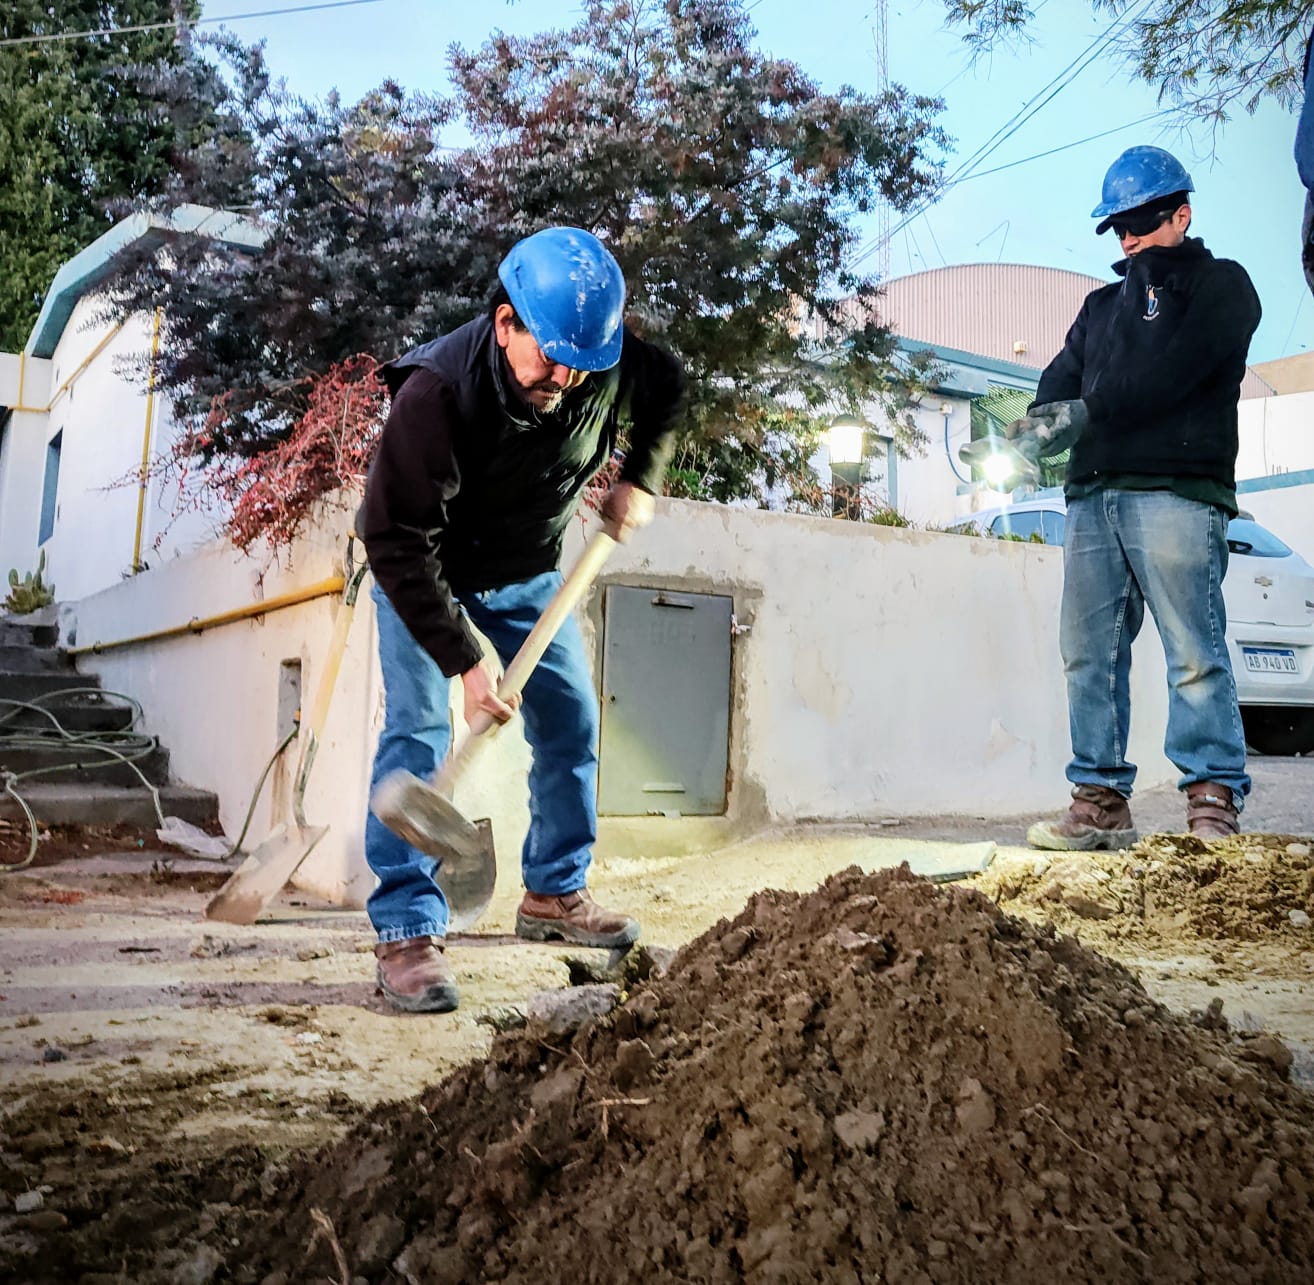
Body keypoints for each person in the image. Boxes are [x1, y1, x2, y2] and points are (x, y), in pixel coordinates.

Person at [358, 226, 686, 1012]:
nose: (566, 378)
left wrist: (641, 476)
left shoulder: (599, 362)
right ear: (506, 323)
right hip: (425, 571)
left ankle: (554, 892)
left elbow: (669, 387)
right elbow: (394, 539)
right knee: (418, 729)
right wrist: (466, 663)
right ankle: (406, 927)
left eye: (583, 362)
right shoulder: (435, 394)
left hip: (525, 571)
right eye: (551, 355)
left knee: (572, 719)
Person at [1020, 145, 1262, 851]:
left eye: (1140, 222)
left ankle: (1212, 797)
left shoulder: (1222, 287)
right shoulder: (1100, 308)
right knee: (1088, 652)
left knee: (1193, 650)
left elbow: (1174, 372)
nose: (1127, 238)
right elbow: (1059, 378)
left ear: (1180, 215)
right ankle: (1099, 800)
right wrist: (1035, 424)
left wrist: (1087, 412)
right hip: (1094, 494)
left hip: (1177, 490)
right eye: (1117, 227)